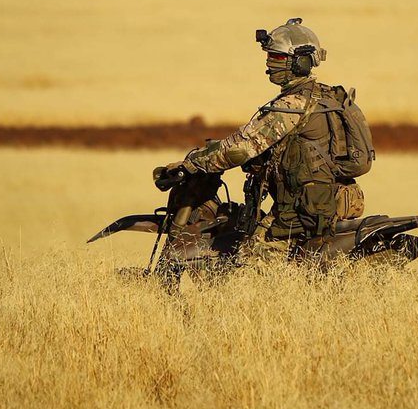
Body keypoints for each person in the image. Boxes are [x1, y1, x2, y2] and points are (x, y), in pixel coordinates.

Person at [154, 18, 365, 257]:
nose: (270, 64)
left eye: (277, 58)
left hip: (302, 208)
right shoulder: (326, 97)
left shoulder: (292, 105)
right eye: (269, 57)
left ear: (301, 62)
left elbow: (242, 148)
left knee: (251, 261)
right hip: (327, 199)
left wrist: (192, 164)